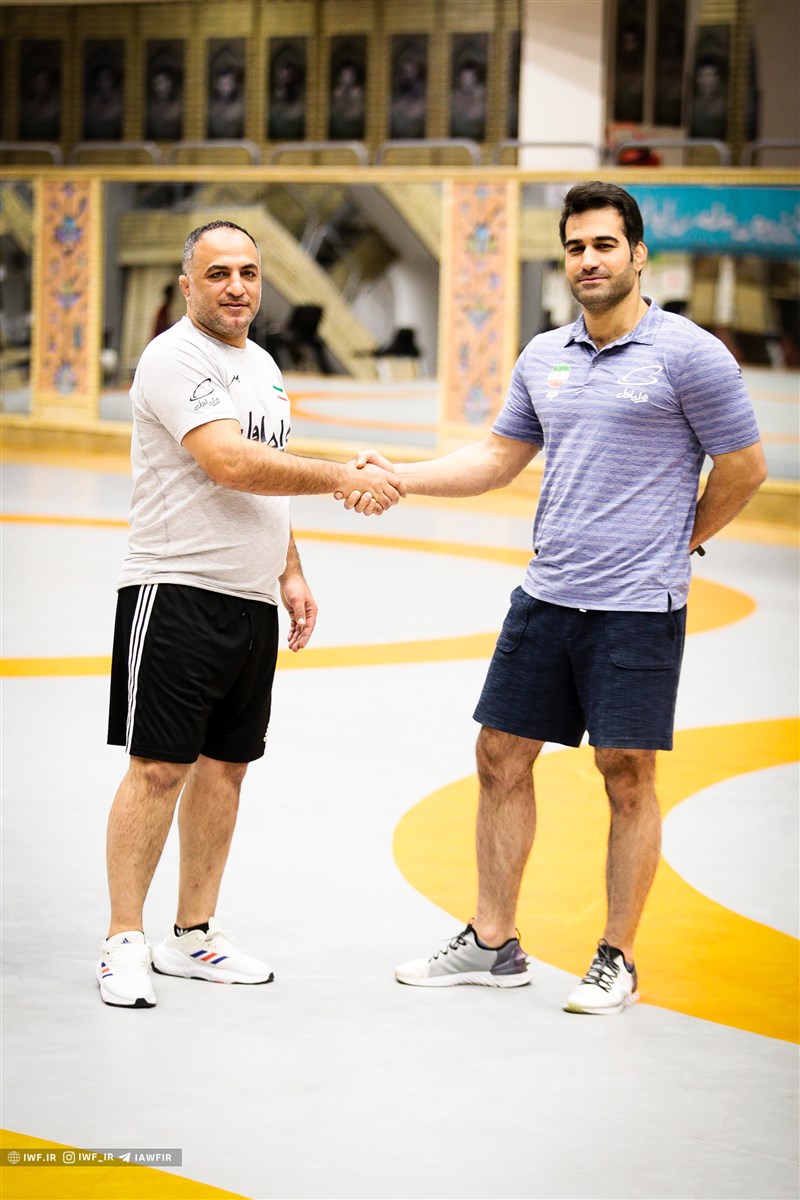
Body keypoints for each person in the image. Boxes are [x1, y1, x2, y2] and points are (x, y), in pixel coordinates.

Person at [341, 181, 767, 1014]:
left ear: (638, 255)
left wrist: (679, 541)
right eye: (575, 247)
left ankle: (617, 956)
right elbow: (496, 460)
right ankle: (492, 942)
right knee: (500, 756)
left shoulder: (689, 355)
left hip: (637, 606)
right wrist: (403, 478)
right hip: (547, 596)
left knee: (626, 774)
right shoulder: (544, 356)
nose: (588, 261)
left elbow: (744, 467)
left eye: (605, 245)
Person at [96, 220, 405, 1009]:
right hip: (176, 590)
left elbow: (266, 483)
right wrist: (342, 477)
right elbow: (230, 461)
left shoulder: (263, 367)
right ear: (187, 284)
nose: (236, 286)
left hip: (249, 599)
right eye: (218, 273)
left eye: (248, 272)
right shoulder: (174, 357)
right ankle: (123, 939)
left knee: (225, 769)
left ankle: (192, 933)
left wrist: (290, 569)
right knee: (158, 768)